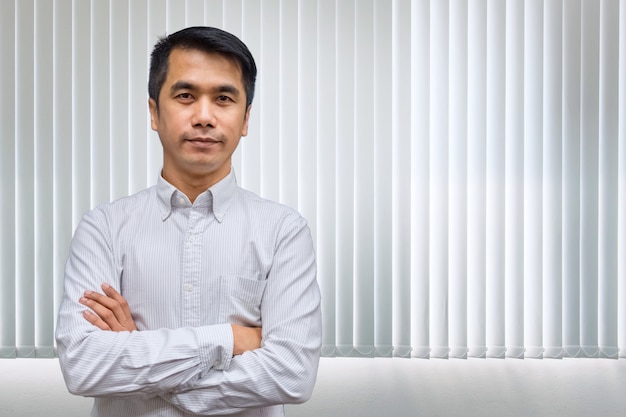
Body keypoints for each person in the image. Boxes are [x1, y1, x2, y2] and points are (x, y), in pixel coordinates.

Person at [55, 26, 322, 417]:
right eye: (185, 96)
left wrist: (138, 358)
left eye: (224, 98)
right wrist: (229, 339)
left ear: (245, 118)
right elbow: (83, 366)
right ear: (154, 112)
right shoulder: (104, 228)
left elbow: (291, 374)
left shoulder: (284, 231)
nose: (204, 116)